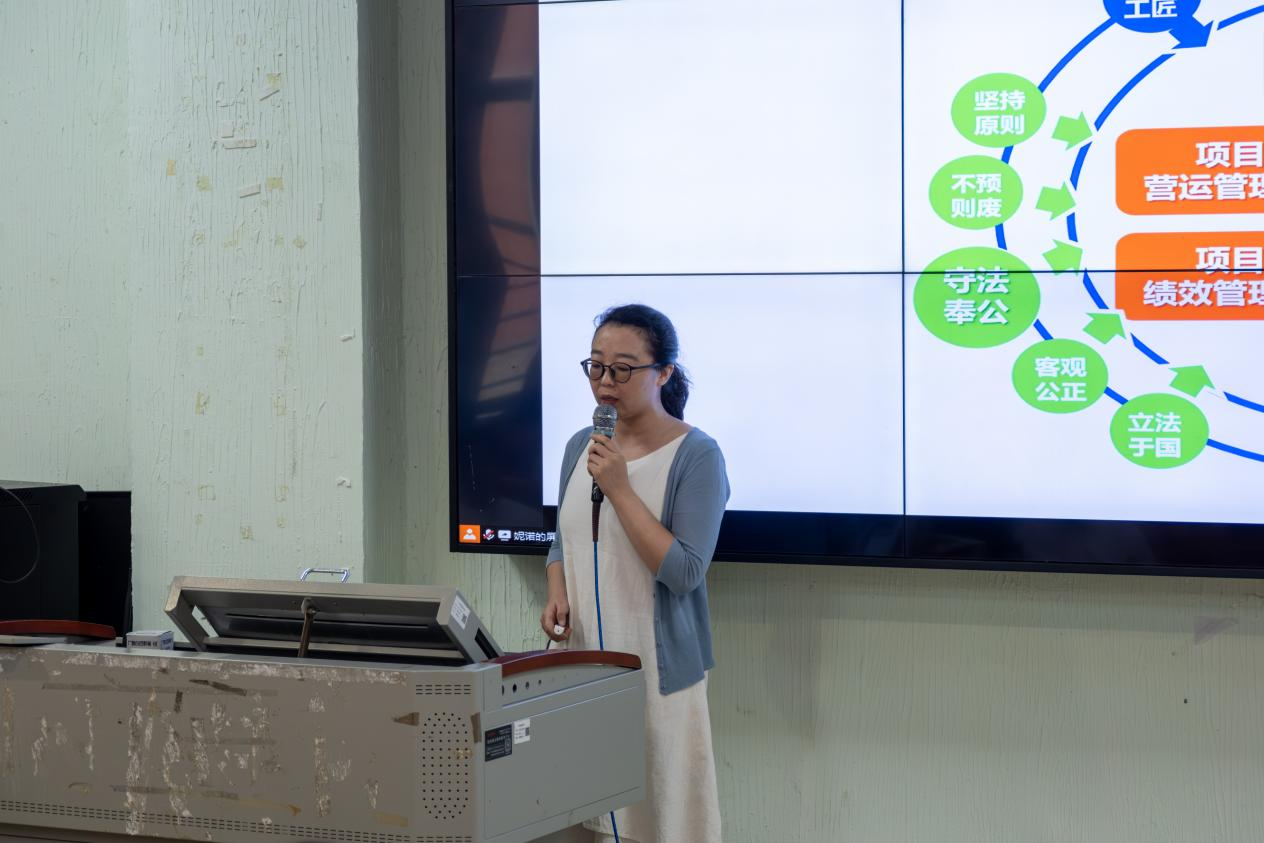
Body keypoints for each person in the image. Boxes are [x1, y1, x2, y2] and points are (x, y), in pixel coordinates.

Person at [542, 304, 729, 843]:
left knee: (656, 822)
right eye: (596, 366)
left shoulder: (697, 455)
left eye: (623, 369)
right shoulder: (581, 445)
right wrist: (556, 588)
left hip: (655, 676)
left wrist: (620, 489)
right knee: (576, 816)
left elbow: (686, 571)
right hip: (578, 667)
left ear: (664, 372)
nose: (605, 382)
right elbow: (563, 538)